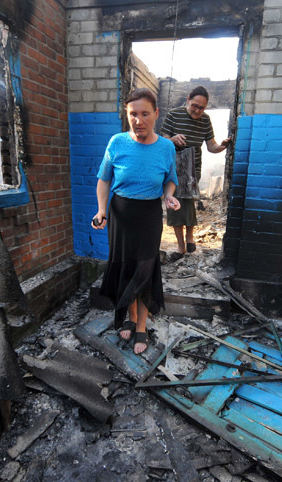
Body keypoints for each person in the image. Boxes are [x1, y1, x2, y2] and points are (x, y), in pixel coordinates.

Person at [92, 88, 180, 355]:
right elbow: (104, 179)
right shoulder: (117, 142)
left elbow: (171, 179)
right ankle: (130, 316)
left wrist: (169, 196)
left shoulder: (165, 146)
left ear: (156, 114)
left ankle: (141, 324)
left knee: (145, 269)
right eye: (133, 114)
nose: (138, 120)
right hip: (120, 215)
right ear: (127, 115)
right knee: (125, 268)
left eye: (144, 114)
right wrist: (101, 211)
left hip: (149, 215)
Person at [160, 86, 231, 260]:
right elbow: (161, 141)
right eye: (195, 105)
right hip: (174, 167)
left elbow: (211, 146)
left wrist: (223, 145)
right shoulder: (173, 115)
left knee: (189, 200)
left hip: (193, 168)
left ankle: (190, 237)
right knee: (175, 204)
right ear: (188, 100)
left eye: (201, 107)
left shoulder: (205, 120)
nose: (197, 110)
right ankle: (180, 246)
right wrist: (173, 139)